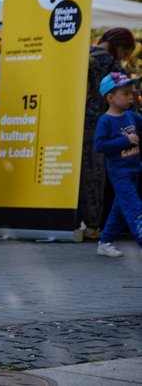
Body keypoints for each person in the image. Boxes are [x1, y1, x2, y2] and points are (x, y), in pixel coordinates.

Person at [81, 27, 137, 240]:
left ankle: (85, 223)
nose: (123, 58)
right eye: (125, 52)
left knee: (85, 176)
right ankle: (96, 224)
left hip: (78, 124)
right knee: (100, 177)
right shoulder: (112, 65)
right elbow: (126, 100)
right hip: (106, 125)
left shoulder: (84, 55)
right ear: (120, 47)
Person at [93, 72, 142, 258]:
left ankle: (105, 242)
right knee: (135, 208)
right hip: (119, 172)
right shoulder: (105, 121)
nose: (130, 97)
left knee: (120, 208)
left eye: (131, 93)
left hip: (134, 168)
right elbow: (100, 145)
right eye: (125, 93)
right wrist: (125, 141)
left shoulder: (131, 116)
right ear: (111, 98)